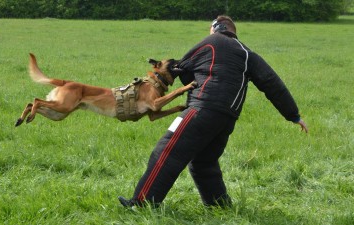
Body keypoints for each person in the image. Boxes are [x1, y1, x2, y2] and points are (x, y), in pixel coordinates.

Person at [118, 15, 308, 208]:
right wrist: (293, 115)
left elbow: (180, 69)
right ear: (233, 31)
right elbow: (271, 83)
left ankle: (141, 204)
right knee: (203, 162)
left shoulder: (209, 43)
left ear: (214, 28)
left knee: (167, 150)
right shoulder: (247, 54)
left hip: (200, 109)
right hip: (226, 120)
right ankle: (220, 207)